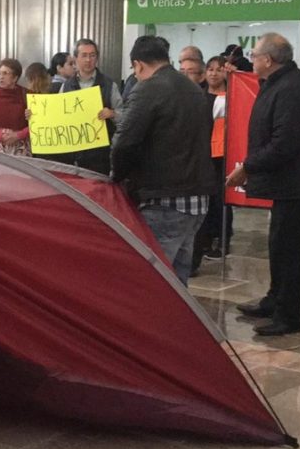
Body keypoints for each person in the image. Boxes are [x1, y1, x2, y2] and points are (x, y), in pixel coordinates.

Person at [228, 33, 300, 336]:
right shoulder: (278, 83)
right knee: (278, 245)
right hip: (288, 183)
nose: (252, 58)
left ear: (268, 60)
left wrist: (248, 167)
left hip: (298, 184)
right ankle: (274, 300)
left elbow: (284, 143)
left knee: (289, 250)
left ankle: (289, 317)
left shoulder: (292, 89)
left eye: (255, 54)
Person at [111, 36, 215, 286]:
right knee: (178, 278)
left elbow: (124, 141)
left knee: (153, 280)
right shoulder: (192, 88)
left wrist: (116, 177)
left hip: (163, 199)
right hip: (197, 198)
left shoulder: (147, 89)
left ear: (137, 65)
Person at [191, 56, 233, 274]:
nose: (214, 73)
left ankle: (223, 239)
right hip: (204, 153)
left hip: (224, 154)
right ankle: (205, 239)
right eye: (210, 69)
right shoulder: (199, 95)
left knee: (222, 199)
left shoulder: (234, 96)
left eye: (219, 70)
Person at [61, 39, 123, 173]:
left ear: (97, 58)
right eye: (84, 55)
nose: (88, 60)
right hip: (72, 154)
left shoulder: (109, 85)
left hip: (99, 155)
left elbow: (125, 116)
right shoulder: (66, 86)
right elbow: (58, 115)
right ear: (76, 58)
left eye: (92, 55)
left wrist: (112, 114)